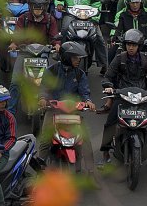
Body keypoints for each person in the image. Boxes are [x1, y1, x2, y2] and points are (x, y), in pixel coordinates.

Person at [35, 42, 94, 170]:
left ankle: (91, 172)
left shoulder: (80, 74)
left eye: (78, 58)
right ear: (66, 57)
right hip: (53, 110)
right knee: (45, 139)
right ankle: (39, 169)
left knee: (85, 141)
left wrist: (88, 101)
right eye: (74, 58)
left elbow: (84, 91)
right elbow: (44, 88)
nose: (78, 60)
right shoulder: (51, 70)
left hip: (73, 111)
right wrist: (43, 99)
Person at [100, 30, 147, 158]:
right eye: (128, 44)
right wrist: (109, 87)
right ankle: (106, 151)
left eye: (134, 45)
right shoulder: (119, 58)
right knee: (110, 122)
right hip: (122, 96)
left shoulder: (145, 59)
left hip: (142, 98)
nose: (131, 47)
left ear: (139, 46)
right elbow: (107, 77)